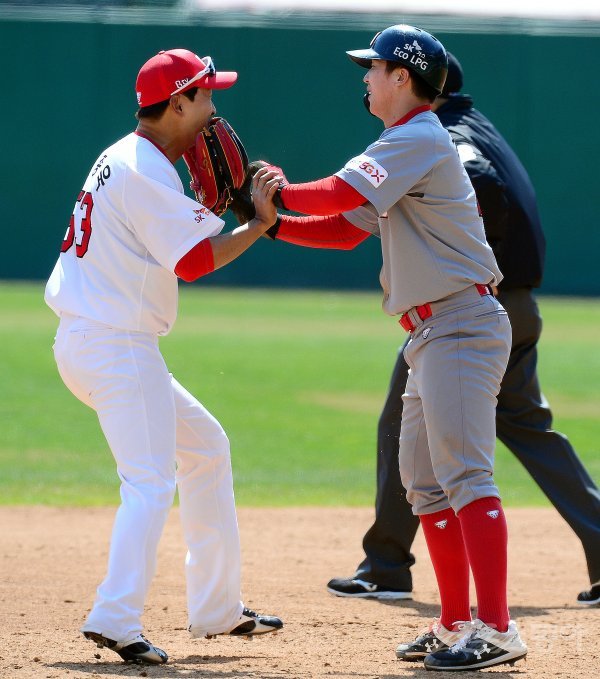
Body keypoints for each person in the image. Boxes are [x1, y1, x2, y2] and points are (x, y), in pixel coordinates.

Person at [263, 24, 527, 672]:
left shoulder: (419, 136)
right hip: (431, 331)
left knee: (465, 476)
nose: (366, 77)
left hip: (461, 323)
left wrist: (278, 192)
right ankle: (454, 622)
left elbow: (339, 193)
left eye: (374, 67)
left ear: (402, 77)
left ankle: (497, 629)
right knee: (425, 485)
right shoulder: (401, 146)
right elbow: (344, 228)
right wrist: (273, 225)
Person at [326, 52, 600, 610]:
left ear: (414, 82)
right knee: (530, 430)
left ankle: (386, 566)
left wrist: (459, 262)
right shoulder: (476, 125)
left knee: (407, 427)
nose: (370, 79)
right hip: (510, 305)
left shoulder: (443, 136)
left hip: (465, 311)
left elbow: (483, 184)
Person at [44, 48, 283, 666]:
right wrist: (258, 224)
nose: (213, 107)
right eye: (206, 94)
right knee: (149, 482)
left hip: (97, 340)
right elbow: (194, 263)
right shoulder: (147, 169)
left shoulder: (128, 156)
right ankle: (115, 617)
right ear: (177, 103)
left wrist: (215, 211)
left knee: (206, 448)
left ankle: (218, 608)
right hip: (115, 346)